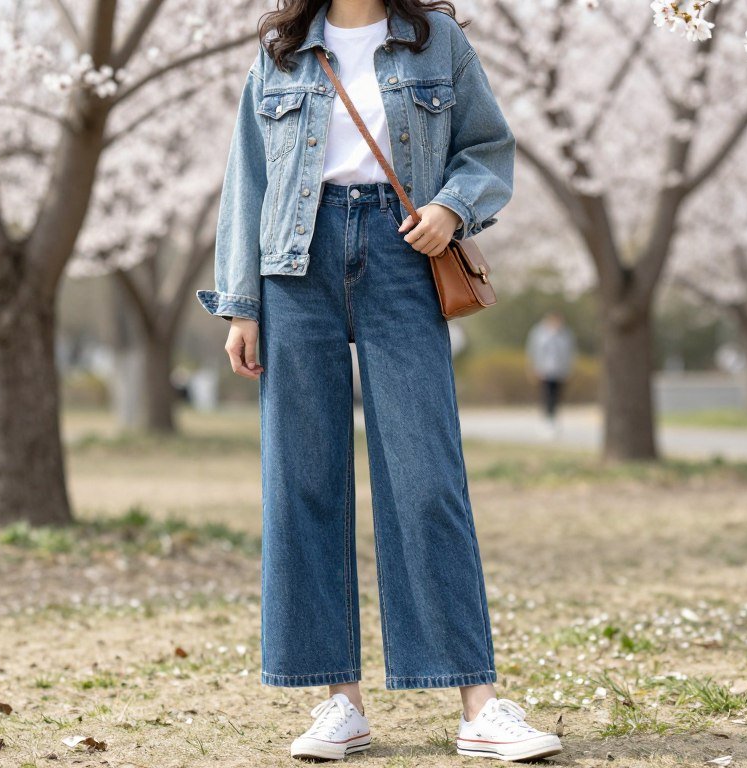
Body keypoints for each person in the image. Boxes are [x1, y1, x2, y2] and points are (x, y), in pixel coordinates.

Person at [196, 0, 562, 762]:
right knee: (304, 479)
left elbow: (488, 148)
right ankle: (340, 701)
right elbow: (248, 178)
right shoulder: (284, 52)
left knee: (429, 479)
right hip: (295, 263)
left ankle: (479, 703)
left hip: (404, 256)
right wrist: (240, 305)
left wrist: (451, 208)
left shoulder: (438, 42)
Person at [526, 312, 575, 439]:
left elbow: (569, 353)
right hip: (544, 371)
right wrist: (533, 368)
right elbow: (533, 351)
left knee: (556, 397)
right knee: (546, 396)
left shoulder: (565, 334)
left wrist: (568, 370)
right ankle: (546, 421)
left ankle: (554, 421)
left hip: (559, 371)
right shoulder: (539, 333)